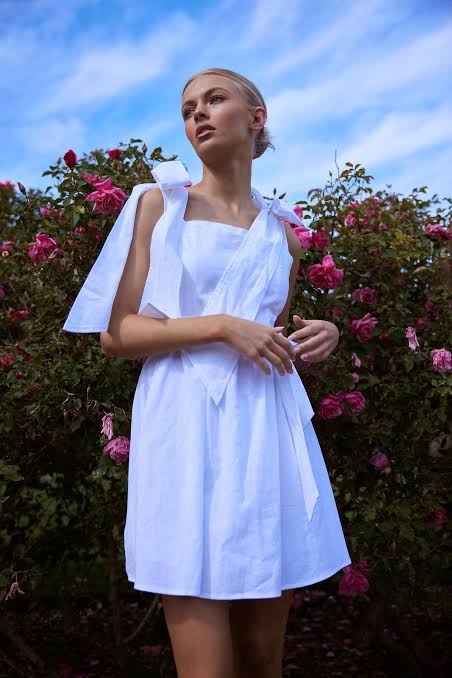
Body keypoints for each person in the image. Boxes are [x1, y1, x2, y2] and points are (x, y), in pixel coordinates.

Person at [64, 67, 352, 678]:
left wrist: (320, 335)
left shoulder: (284, 236)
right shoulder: (158, 204)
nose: (198, 112)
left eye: (215, 99)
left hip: (265, 428)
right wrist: (220, 325)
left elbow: (270, 333)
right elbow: (117, 333)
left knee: (262, 659)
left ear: (256, 117)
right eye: (188, 106)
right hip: (184, 424)